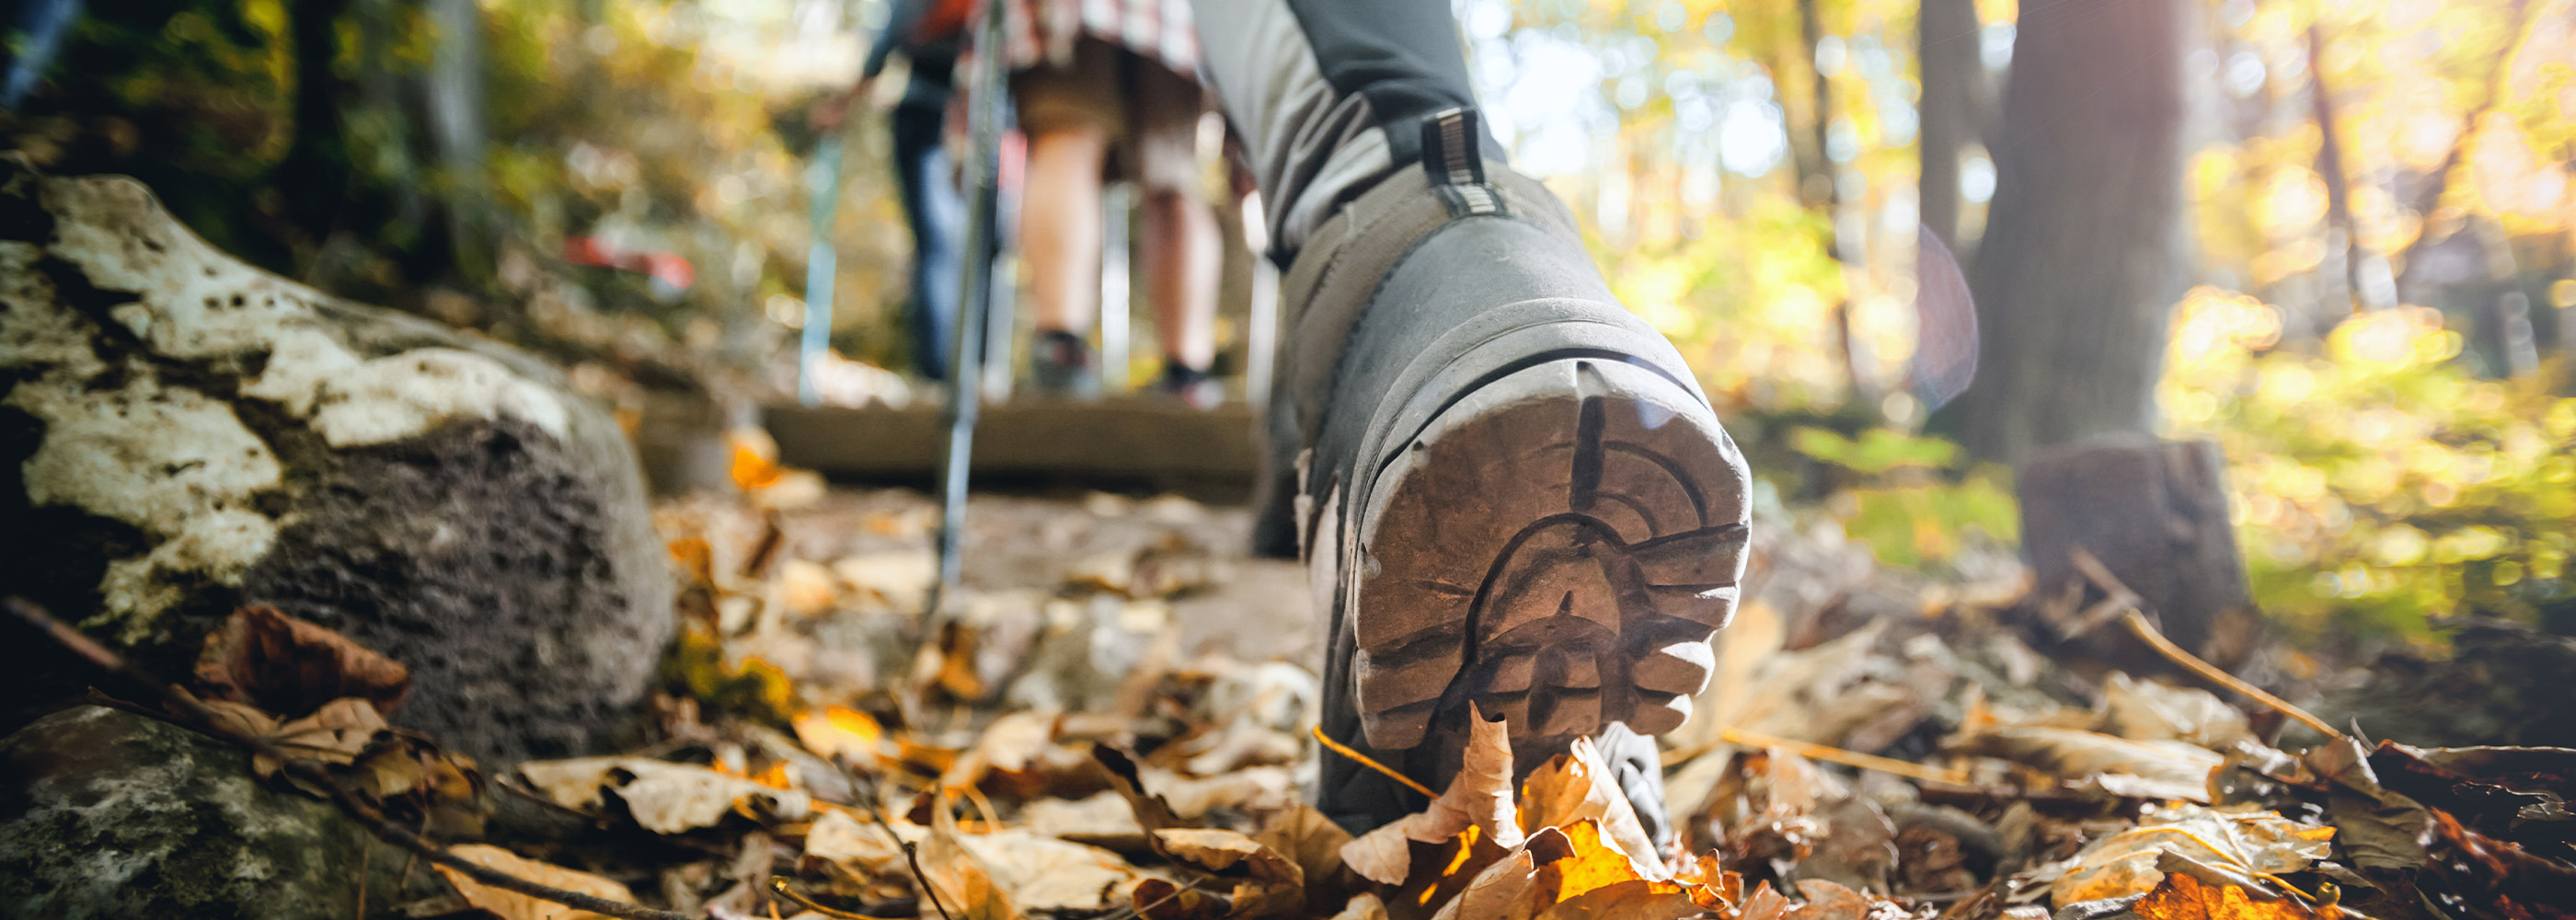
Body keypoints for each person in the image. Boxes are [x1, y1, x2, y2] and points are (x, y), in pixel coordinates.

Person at [1186, 0, 1754, 847]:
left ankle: (1426, 241)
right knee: (1298, 148)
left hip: (1393, 244)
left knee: (1355, 120)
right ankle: (1470, 269)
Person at [1002, 0, 1223, 406]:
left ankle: (1060, 352)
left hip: (1073, 11)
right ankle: (1187, 373)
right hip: (1178, 16)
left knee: (1066, 136)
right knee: (1174, 172)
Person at [814, 0, 965, 382]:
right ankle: (965, 368)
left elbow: (887, 43)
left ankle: (940, 371)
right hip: (987, 120)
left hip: (928, 114)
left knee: (936, 245)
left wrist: (843, 105)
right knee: (964, 247)